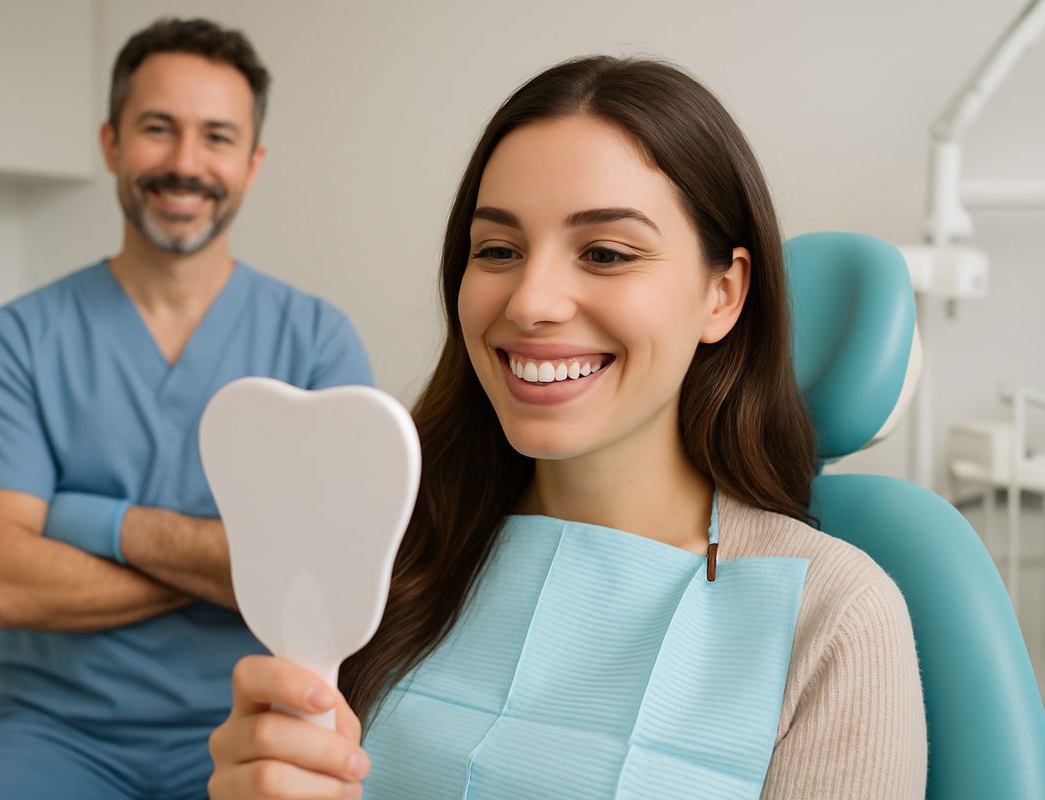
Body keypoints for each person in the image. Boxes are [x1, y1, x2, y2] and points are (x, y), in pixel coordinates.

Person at [205, 56, 928, 799]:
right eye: (498, 251)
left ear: (723, 293)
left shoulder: (834, 617)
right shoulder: (400, 551)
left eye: (606, 253)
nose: (530, 302)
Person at [0, 17, 372, 800]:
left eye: (218, 137)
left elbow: (333, 587)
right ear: (111, 144)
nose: (185, 164)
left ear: (253, 163)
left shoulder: (316, 342)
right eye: (157, 129)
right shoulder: (24, 337)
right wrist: (244, 565)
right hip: (52, 729)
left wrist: (95, 522)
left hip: (260, 720)